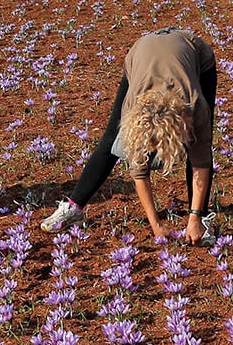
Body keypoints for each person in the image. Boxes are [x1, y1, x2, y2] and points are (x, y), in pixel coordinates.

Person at [40, 28, 219, 244]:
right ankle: (74, 206)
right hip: (141, 54)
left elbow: (202, 162)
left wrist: (193, 217)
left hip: (193, 53)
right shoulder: (132, 108)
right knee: (110, 140)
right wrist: (156, 226)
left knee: (198, 142)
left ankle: (200, 218)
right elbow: (139, 172)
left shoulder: (195, 105)